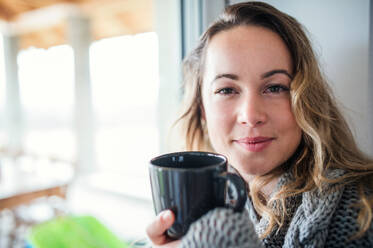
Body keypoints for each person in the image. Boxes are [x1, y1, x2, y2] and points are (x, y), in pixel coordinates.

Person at [146, 1, 373, 247]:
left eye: (274, 88)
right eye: (227, 90)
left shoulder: (362, 214)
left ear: (306, 99)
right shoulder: (202, 216)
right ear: (202, 109)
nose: (251, 115)